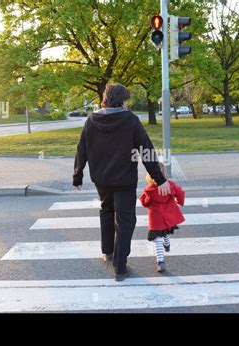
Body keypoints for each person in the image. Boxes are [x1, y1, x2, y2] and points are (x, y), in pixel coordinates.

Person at [73, 83, 171, 281]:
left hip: (101, 179)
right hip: (124, 180)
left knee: (106, 210)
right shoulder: (130, 120)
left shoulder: (91, 120)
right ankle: (119, 267)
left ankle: (107, 250)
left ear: (106, 98)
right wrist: (160, 179)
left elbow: (81, 148)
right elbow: (146, 151)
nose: (127, 103)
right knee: (125, 221)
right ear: (122, 100)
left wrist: (78, 174)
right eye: (126, 99)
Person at [139, 163, 185, 273]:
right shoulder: (170, 185)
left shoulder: (148, 190)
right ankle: (167, 244)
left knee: (157, 240)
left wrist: (148, 200)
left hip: (155, 219)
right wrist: (179, 201)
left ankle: (160, 261)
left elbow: (144, 203)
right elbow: (180, 192)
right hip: (168, 215)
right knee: (166, 230)